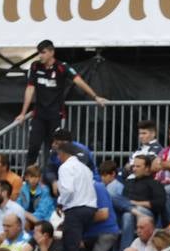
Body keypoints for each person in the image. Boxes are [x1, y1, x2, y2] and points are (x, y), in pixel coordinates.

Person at [16, 40, 108, 168]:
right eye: (39, 53)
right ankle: (28, 178)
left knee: (54, 148)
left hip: (56, 115)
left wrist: (95, 96)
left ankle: (51, 178)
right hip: (39, 115)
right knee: (33, 147)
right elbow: (30, 88)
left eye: (43, 52)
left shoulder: (62, 66)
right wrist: (22, 113)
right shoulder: (35, 66)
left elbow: (78, 81)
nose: (40, 56)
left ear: (52, 52)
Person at [55, 139, 98, 251]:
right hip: (90, 209)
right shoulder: (85, 169)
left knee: (71, 248)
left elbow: (68, 190)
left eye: (58, 154)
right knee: (78, 246)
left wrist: (61, 202)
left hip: (75, 209)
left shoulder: (66, 167)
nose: (57, 157)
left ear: (63, 153)